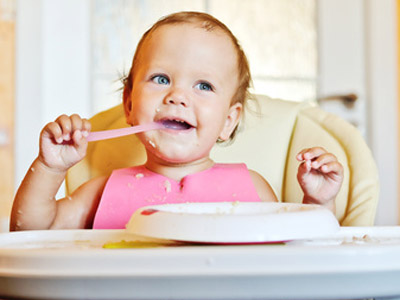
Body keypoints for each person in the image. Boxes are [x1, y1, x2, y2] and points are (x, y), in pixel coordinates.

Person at [10, 11, 343, 231]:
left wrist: (319, 202)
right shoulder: (102, 192)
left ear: (229, 121)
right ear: (129, 104)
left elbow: (301, 251)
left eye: (203, 86)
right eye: (160, 79)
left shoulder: (251, 190)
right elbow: (31, 235)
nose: (178, 96)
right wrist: (51, 167)